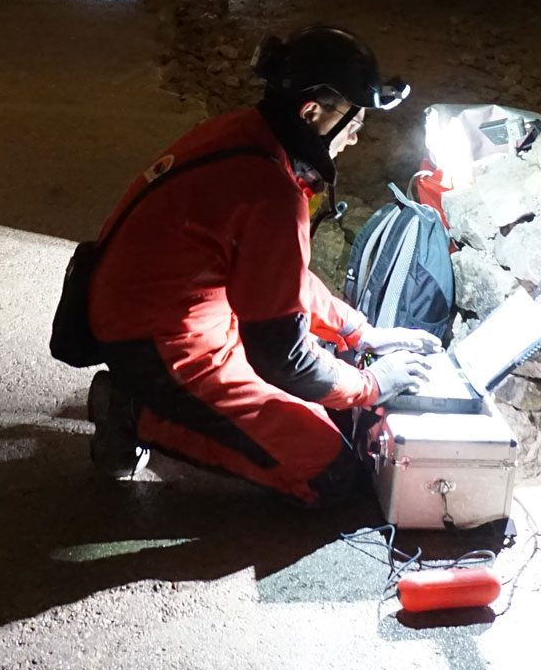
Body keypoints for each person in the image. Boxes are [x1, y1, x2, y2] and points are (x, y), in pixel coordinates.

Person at [84, 26, 444, 505]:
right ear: (313, 113)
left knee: (325, 386)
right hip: (159, 343)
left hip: (165, 311)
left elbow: (278, 278)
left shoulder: (247, 135)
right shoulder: (271, 189)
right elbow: (283, 356)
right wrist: (372, 386)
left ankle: (157, 404)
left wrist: (359, 332)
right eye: (354, 123)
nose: (356, 139)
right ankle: (133, 408)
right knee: (330, 473)